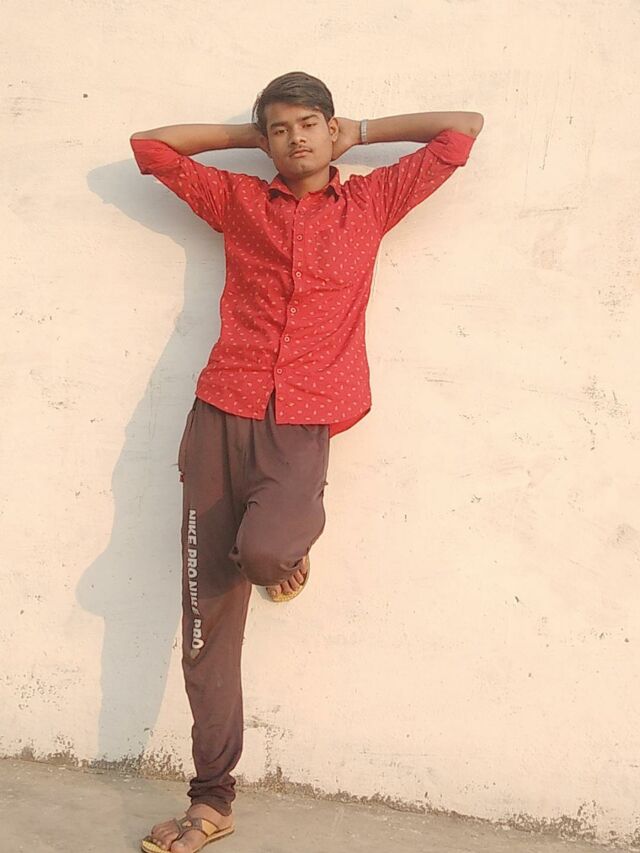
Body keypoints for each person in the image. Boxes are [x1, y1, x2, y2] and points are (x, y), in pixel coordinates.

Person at [130, 70, 483, 853]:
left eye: (309, 124)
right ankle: (211, 799)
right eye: (281, 128)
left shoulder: (372, 202)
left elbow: (462, 128)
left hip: (301, 425)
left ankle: (283, 553)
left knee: (263, 552)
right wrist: (246, 138)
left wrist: (367, 129)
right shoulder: (238, 201)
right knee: (206, 621)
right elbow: (149, 148)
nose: (296, 139)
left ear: (331, 128)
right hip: (221, 412)